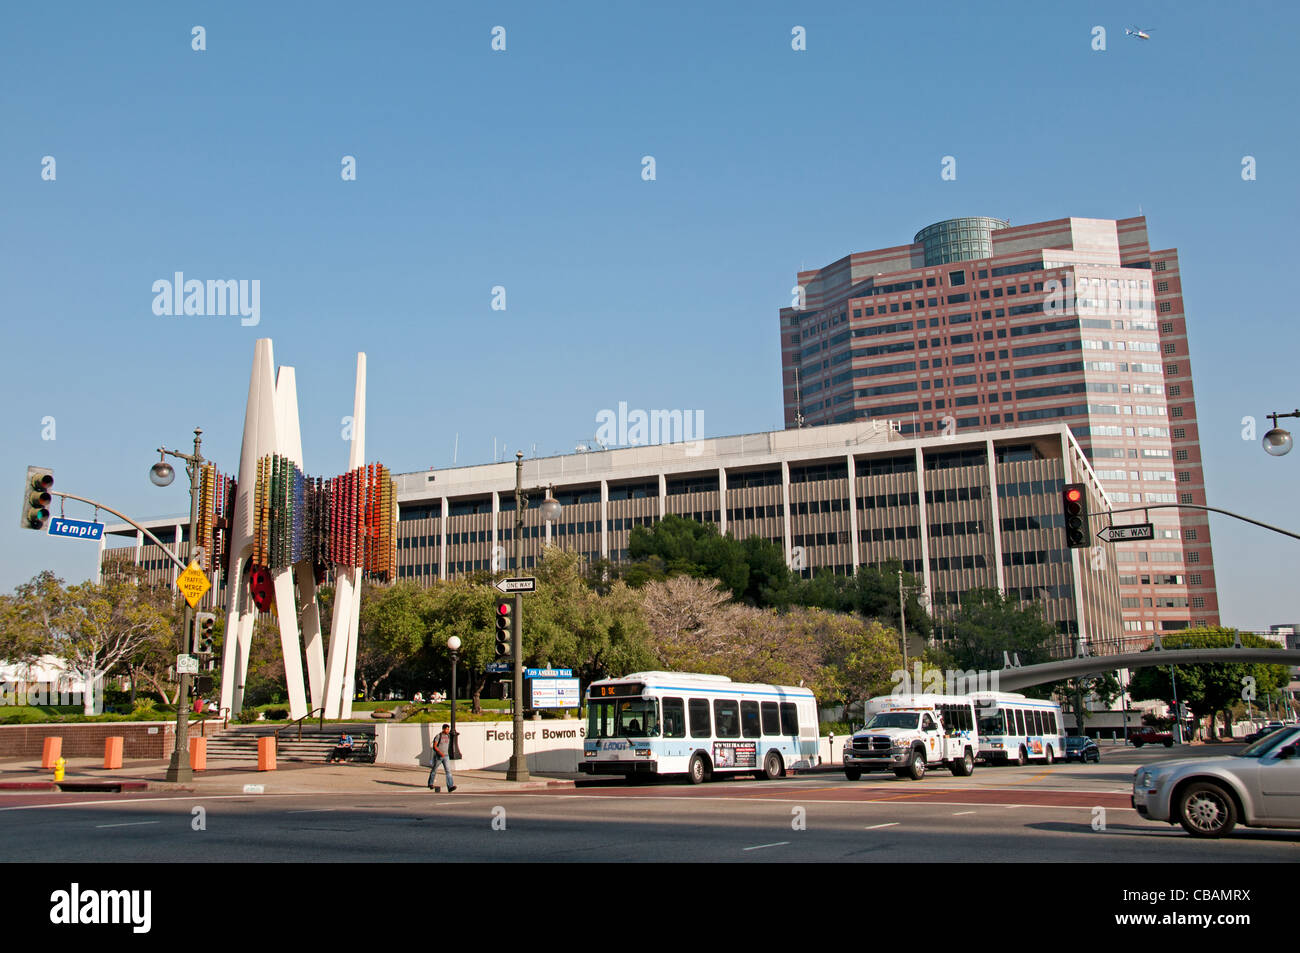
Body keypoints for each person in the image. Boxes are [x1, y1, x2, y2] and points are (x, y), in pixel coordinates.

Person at [427, 724, 456, 792]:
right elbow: (435, 746)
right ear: (443, 729)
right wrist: (440, 753)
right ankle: (430, 783)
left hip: (446, 756)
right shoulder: (438, 736)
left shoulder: (448, 736)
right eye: (446, 729)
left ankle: (450, 786)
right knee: (434, 769)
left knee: (448, 771)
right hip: (439, 756)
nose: (447, 730)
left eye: (448, 729)